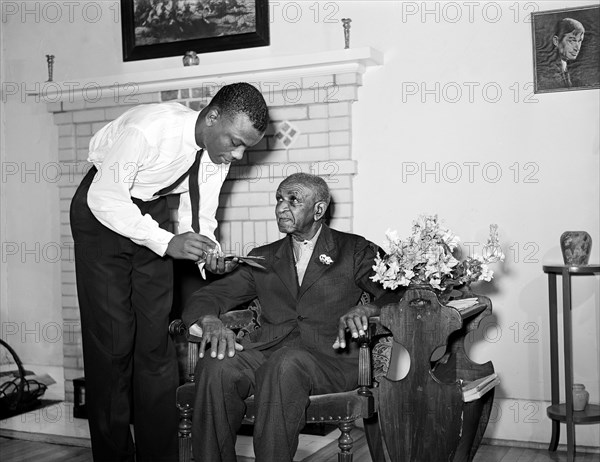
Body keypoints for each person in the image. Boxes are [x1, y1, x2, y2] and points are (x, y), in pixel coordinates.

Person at [70, 82, 269, 462]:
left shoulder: (215, 153)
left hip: (152, 212)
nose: (239, 154)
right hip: (102, 215)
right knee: (112, 345)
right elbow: (104, 196)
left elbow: (200, 215)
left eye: (246, 146)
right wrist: (165, 243)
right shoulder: (148, 130)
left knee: (155, 345)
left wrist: (206, 252)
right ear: (211, 117)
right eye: (235, 141)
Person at [182, 173, 395, 462]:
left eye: (293, 200)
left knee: (285, 364)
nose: (281, 208)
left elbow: (396, 292)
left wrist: (368, 309)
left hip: (329, 358)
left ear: (318, 210)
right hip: (268, 352)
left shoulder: (355, 250)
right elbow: (209, 297)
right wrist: (209, 320)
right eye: (279, 200)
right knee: (217, 362)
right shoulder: (263, 258)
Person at [538, 17, 585, 90]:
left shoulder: (567, 67)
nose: (577, 48)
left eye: (579, 41)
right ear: (556, 41)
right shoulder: (546, 71)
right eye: (572, 41)